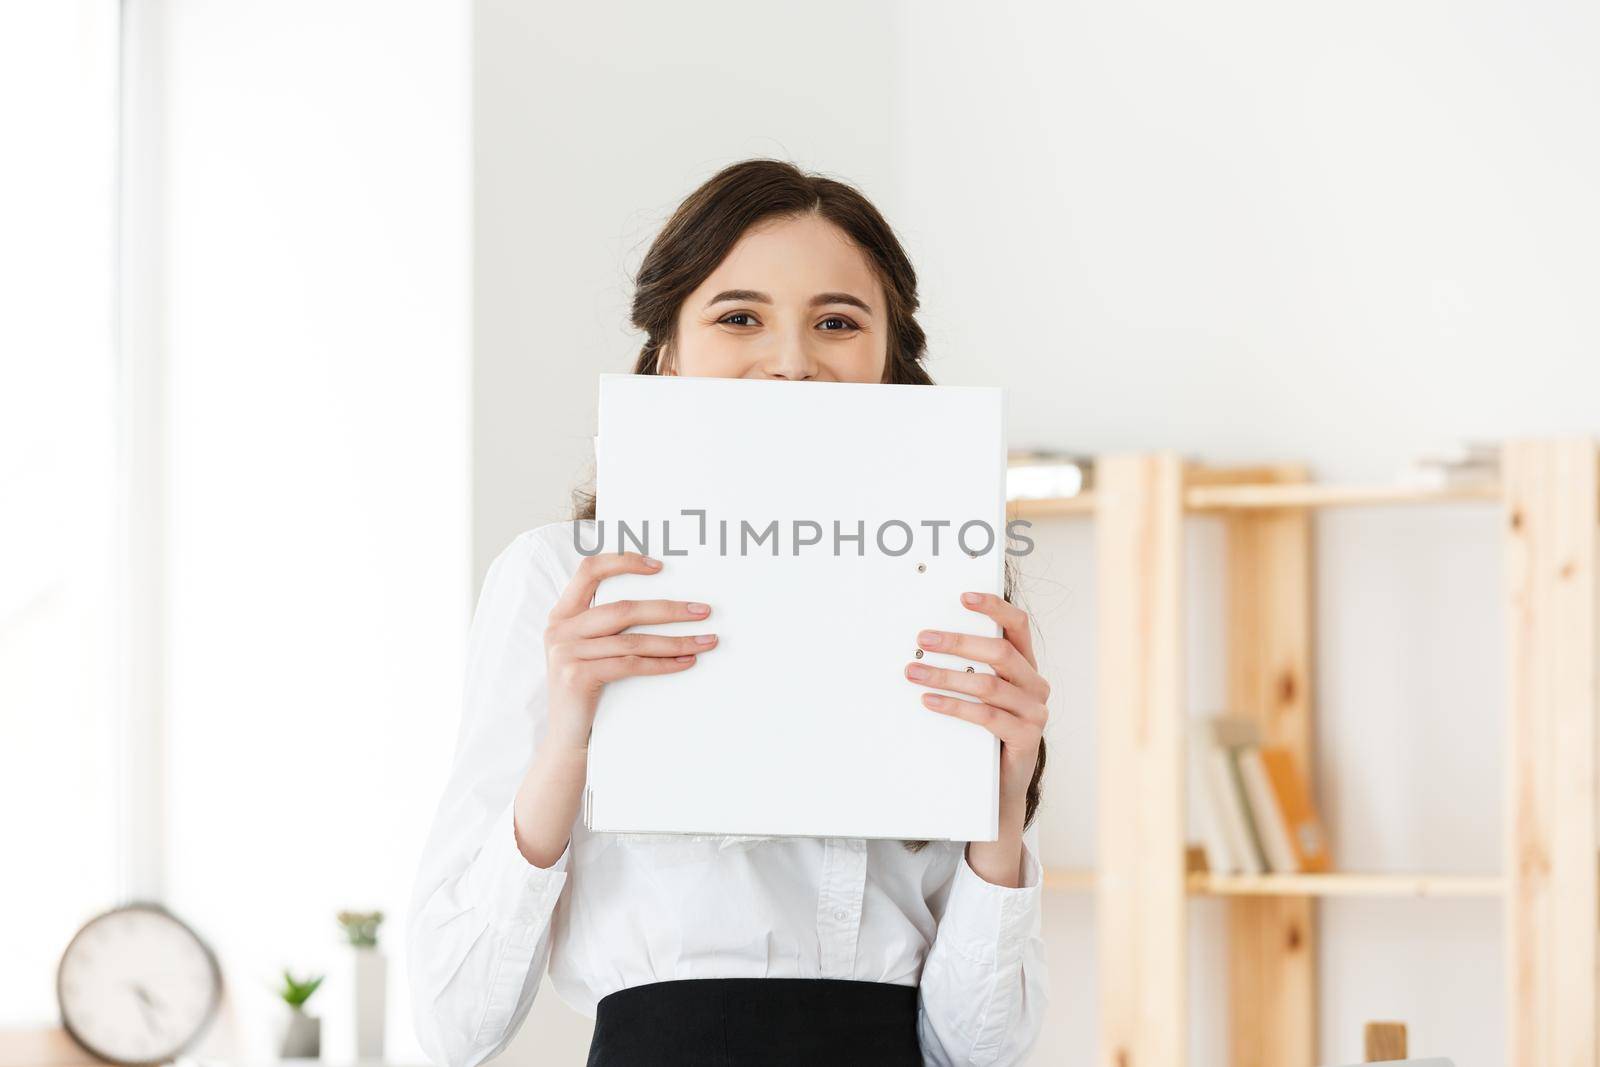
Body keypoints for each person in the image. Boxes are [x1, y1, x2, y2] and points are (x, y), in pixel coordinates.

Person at [408, 159, 1051, 1067]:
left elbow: (982, 1051)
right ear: (668, 351)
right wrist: (568, 739)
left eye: (837, 322)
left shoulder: (952, 591)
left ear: (887, 363)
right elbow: (455, 1025)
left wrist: (1004, 802)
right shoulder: (561, 583)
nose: (791, 362)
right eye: (739, 316)